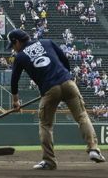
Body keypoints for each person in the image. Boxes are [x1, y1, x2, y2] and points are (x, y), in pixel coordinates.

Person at [7, 29, 106, 170]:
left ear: (17, 42)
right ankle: (94, 150)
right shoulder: (46, 42)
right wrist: (66, 77)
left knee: (46, 125)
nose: (14, 49)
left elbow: (14, 80)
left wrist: (16, 101)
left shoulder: (21, 57)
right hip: (68, 83)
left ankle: (49, 161)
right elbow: (64, 60)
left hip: (49, 89)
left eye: (13, 46)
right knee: (82, 116)